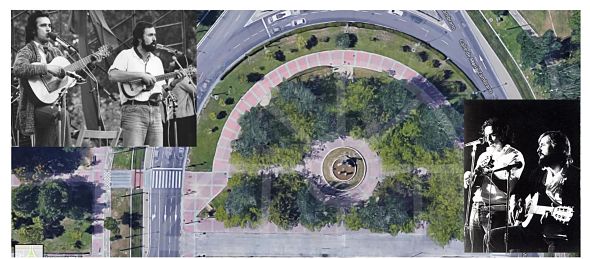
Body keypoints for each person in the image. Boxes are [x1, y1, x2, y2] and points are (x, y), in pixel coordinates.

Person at [487, 131, 579, 253]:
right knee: (492, 237)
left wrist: (566, 209)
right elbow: (519, 189)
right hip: (533, 231)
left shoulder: (577, 176)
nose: (538, 150)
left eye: (542, 145)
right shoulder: (538, 173)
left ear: (559, 148)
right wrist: (515, 199)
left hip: (561, 236)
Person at [108, 21, 184, 146]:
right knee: (133, 155)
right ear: (139, 38)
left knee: (155, 156)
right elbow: (112, 75)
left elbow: (161, 94)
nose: (154, 38)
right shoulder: (126, 55)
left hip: (155, 111)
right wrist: (140, 75)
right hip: (133, 111)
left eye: (154, 35)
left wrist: (173, 83)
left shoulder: (157, 61)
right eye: (150, 35)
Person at [463, 118, 525, 252]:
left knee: (493, 252)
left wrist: (488, 173)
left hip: (496, 212)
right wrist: (471, 177)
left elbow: (508, 187)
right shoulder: (484, 155)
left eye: (492, 135)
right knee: (475, 251)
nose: (488, 140)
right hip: (476, 208)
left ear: (502, 134)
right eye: (486, 136)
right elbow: (476, 185)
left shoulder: (514, 156)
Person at [12, 11, 71, 146]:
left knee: (60, 115)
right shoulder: (27, 51)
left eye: (49, 25)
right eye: (43, 25)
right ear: (33, 30)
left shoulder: (56, 52)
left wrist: (88, 66)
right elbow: (18, 68)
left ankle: (51, 161)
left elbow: (70, 76)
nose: (48, 29)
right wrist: (46, 68)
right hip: (33, 108)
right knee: (61, 115)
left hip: (54, 104)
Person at [162, 55, 196, 146]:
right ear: (185, 67)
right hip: (183, 116)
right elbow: (196, 91)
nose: (192, 69)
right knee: (186, 142)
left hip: (175, 116)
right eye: (190, 66)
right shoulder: (182, 78)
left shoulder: (172, 78)